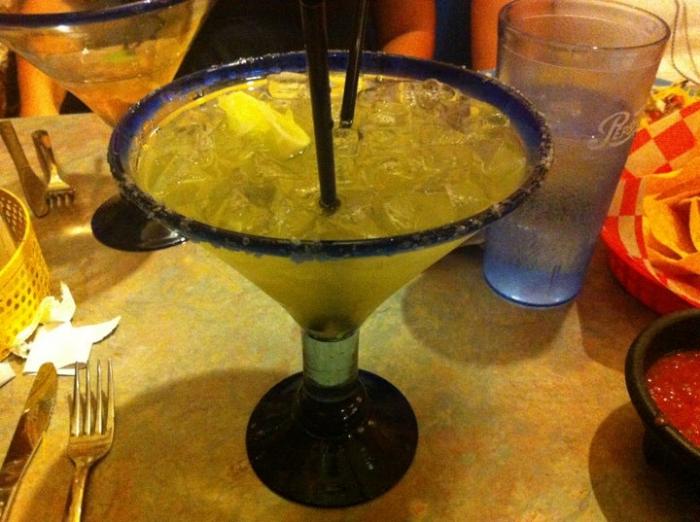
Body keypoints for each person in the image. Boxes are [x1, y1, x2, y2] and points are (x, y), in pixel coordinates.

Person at [16, 0, 436, 117]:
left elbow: (409, 30)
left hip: (316, 127)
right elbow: (51, 9)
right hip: (141, 126)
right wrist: (44, 133)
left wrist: (366, 118)